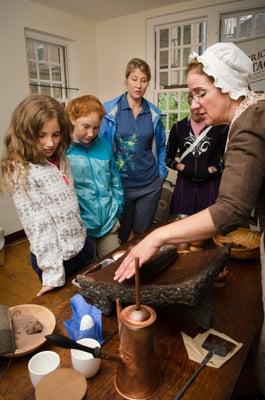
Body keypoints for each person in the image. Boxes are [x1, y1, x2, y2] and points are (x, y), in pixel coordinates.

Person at [114, 43, 265, 399]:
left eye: (201, 93)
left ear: (226, 85)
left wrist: (156, 237)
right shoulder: (254, 113)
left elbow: (231, 208)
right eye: (191, 94)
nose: (194, 103)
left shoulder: (248, 122)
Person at [0, 94, 95, 296]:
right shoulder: (23, 172)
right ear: (25, 134)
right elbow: (39, 227)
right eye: (41, 135)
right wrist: (52, 275)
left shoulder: (60, 156)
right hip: (57, 260)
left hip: (81, 246)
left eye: (56, 134)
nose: (50, 143)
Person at [99, 57, 168, 243]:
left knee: (142, 235)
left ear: (148, 83)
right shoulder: (109, 110)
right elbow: (101, 147)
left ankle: (139, 271)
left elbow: (161, 146)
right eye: (134, 79)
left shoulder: (153, 113)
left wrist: (161, 175)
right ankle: (123, 272)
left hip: (149, 185)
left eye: (143, 80)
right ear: (126, 80)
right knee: (121, 236)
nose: (138, 85)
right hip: (122, 187)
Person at [66, 95, 123, 258]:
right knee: (88, 274)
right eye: (86, 126)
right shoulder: (64, 151)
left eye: (96, 127)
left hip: (109, 223)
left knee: (113, 268)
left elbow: (114, 179)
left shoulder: (104, 145)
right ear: (72, 119)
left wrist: (118, 207)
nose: (91, 133)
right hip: (82, 229)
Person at [166, 94, 228, 215]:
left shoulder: (220, 127)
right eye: (195, 103)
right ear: (189, 102)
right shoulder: (178, 127)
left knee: (208, 226)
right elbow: (166, 157)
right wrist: (179, 166)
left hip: (211, 185)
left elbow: (229, 157)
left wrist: (215, 168)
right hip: (184, 185)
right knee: (182, 225)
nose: (198, 109)